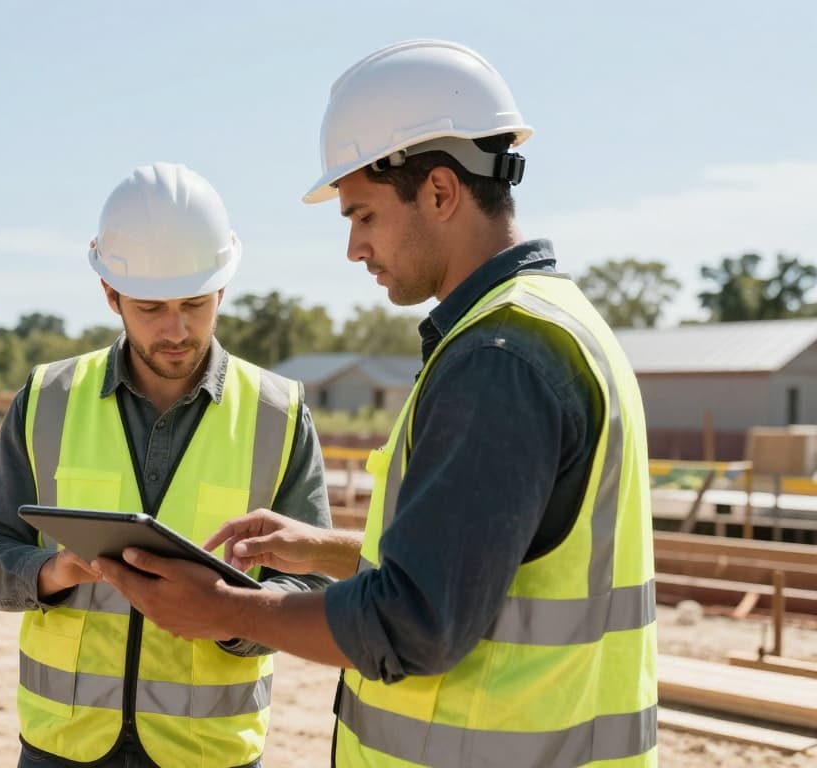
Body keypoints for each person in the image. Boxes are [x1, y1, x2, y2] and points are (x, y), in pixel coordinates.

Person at [94, 40, 658, 767]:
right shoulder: (552, 323)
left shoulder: (498, 360)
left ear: (441, 192)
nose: (355, 248)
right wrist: (325, 549)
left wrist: (224, 610)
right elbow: (492, 559)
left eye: (362, 215)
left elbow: (413, 624)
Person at [0, 162, 333, 768]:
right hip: (63, 748)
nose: (177, 329)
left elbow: (311, 585)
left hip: (208, 754)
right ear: (111, 295)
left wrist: (230, 614)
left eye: (194, 302)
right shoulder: (48, 398)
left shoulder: (278, 414)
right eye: (152, 307)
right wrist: (54, 570)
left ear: (222, 289)